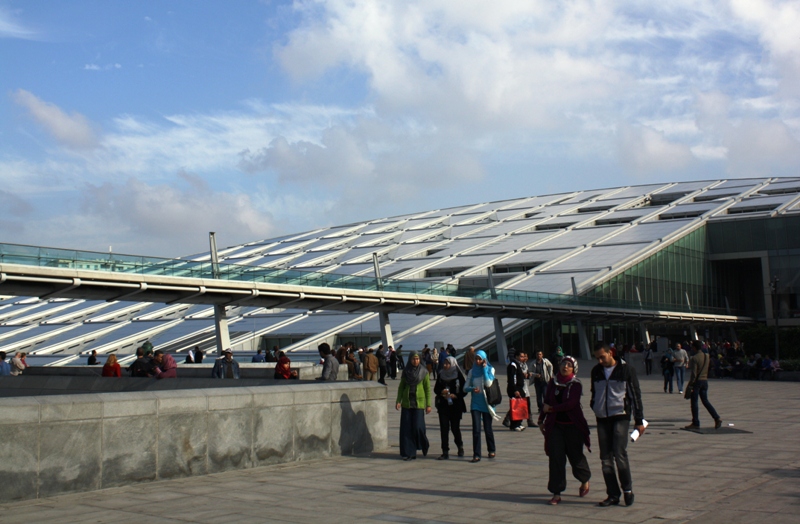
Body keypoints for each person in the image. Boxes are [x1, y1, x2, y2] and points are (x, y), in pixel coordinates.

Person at [590, 343, 645, 507]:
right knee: (605, 458)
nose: (600, 361)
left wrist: (639, 420)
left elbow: (635, 395)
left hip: (620, 416)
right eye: (597, 358)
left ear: (610, 353)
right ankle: (613, 493)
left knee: (620, 454)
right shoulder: (596, 371)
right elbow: (594, 392)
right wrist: (594, 405)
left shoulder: (626, 370)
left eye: (602, 357)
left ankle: (627, 490)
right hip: (602, 418)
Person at [539, 356, 591, 505]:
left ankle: (584, 478)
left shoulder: (575, 384)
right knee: (556, 458)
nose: (565, 367)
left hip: (573, 426)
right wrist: (541, 419)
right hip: (556, 426)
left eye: (569, 365)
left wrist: (553, 409)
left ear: (574, 368)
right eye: (563, 364)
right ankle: (556, 492)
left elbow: (571, 403)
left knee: (576, 457)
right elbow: (546, 402)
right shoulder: (553, 382)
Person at [395, 352, 431, 460]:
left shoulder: (424, 372)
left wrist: (428, 405)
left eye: (417, 359)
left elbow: (427, 389)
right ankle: (409, 452)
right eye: (413, 359)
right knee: (407, 429)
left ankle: (424, 443)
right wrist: (398, 401)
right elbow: (401, 387)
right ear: (410, 360)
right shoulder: (406, 371)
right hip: (407, 403)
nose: (415, 361)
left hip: (419, 404)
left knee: (418, 427)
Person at [463, 350, 497, 462]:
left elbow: (488, 383)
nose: (478, 361)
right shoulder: (472, 372)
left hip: (487, 404)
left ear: (484, 359)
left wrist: (484, 368)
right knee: (476, 430)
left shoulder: (490, 369)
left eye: (480, 359)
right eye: (476, 359)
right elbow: (465, 388)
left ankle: (491, 449)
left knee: (488, 429)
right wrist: (472, 389)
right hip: (475, 404)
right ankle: (476, 454)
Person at [433, 356, 467, 459]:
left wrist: (456, 395)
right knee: (444, 428)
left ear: (452, 364)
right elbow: (436, 389)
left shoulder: (458, 375)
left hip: (456, 406)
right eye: (444, 363)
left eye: (447, 364)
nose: (445, 365)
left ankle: (460, 446)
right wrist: (441, 392)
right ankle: (445, 451)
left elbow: (464, 390)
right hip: (443, 405)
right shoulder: (441, 374)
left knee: (455, 428)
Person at [685, 341, 722, 430]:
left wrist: (690, 385)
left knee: (694, 402)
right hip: (705, 380)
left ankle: (696, 422)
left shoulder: (694, 358)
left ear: (694, 348)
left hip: (697, 382)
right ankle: (716, 417)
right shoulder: (707, 356)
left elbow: (694, 374)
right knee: (705, 401)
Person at [506, 349, 528, 431]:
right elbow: (512, 378)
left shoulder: (518, 364)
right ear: (517, 357)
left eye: (523, 356)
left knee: (519, 406)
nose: (523, 358)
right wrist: (515, 390)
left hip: (519, 388)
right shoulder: (513, 365)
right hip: (515, 389)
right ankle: (515, 424)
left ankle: (518, 423)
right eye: (521, 356)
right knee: (516, 407)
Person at [531, 350, 554, 418]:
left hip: (545, 381)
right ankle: (540, 408)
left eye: (540, 354)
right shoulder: (533, 363)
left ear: (542, 355)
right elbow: (530, 372)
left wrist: (550, 375)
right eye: (538, 354)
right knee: (538, 396)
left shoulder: (545, 361)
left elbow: (551, 366)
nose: (539, 356)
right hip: (537, 382)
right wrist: (535, 375)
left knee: (545, 394)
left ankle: (546, 407)